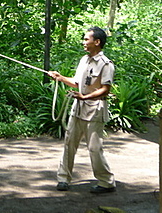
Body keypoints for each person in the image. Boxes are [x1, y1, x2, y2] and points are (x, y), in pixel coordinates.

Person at [48, 26, 116, 194]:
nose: (84, 42)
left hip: (94, 111)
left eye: (87, 39)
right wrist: (61, 78)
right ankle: (63, 178)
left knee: (94, 148)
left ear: (97, 42)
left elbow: (105, 89)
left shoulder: (106, 64)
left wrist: (85, 97)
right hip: (77, 109)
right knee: (69, 144)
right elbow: (78, 83)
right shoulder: (83, 60)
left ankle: (107, 182)